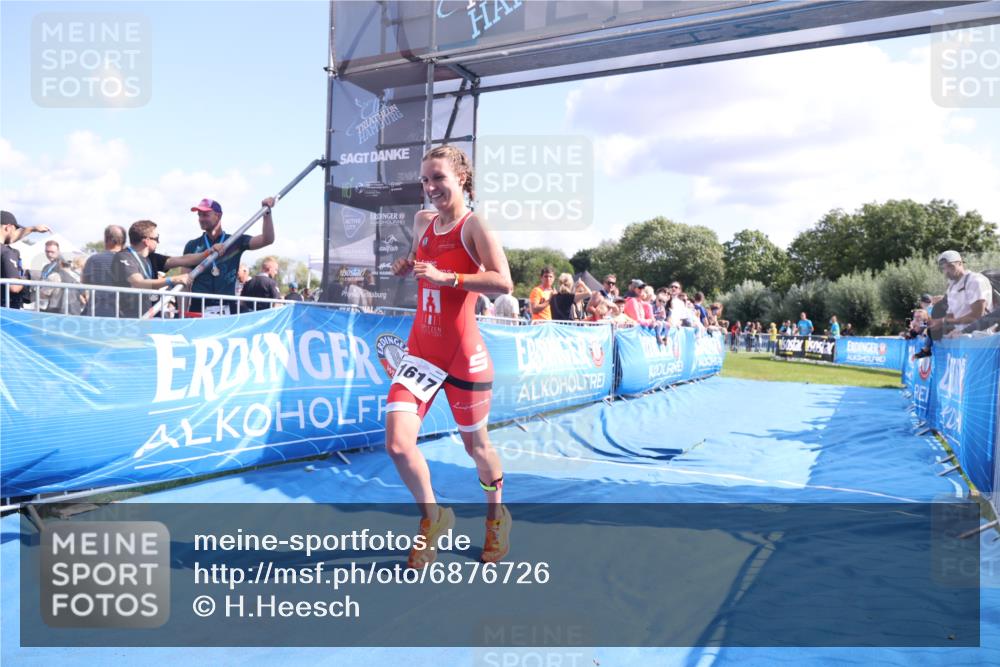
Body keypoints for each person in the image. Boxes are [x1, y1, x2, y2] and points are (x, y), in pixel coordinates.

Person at [388, 145, 513, 569]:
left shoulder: (476, 225)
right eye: (425, 179)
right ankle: (434, 518)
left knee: (476, 447)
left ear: (461, 177)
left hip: (463, 354)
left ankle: (496, 519)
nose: (430, 187)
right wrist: (409, 265)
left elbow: (503, 282)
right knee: (399, 444)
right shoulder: (423, 220)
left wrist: (449, 277)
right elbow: (425, 260)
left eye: (438, 177)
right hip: (422, 350)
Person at [181, 196, 276, 315]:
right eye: (199, 215)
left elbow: (267, 239)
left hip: (227, 306)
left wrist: (267, 213)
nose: (201, 218)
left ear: (218, 216)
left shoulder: (235, 241)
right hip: (198, 306)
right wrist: (182, 315)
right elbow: (183, 283)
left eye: (205, 214)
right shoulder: (192, 245)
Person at [111, 220, 197, 318]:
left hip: (152, 317)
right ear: (147, 241)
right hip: (131, 320)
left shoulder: (152, 257)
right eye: (156, 238)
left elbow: (184, 260)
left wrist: (209, 252)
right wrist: (173, 279)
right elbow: (138, 283)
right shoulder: (123, 256)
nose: (158, 242)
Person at [933, 250, 995, 335]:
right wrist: (937, 323)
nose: (947, 271)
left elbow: (976, 316)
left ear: (960, 263)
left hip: (981, 336)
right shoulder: (951, 287)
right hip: (964, 336)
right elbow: (951, 315)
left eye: (950, 266)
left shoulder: (975, 280)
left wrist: (945, 322)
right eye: (943, 268)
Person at [82, 224, 127, 317]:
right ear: (123, 240)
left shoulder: (93, 260)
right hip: (124, 314)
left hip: (97, 312)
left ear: (107, 239)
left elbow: (84, 282)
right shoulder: (131, 261)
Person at [1, 211, 30, 309]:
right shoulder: (7, 252)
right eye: (16, 229)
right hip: (6, 312)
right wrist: (27, 278)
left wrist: (32, 229)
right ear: (8, 227)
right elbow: (14, 287)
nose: (16, 233)